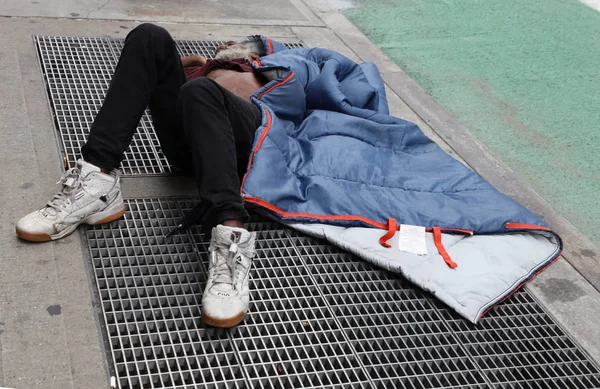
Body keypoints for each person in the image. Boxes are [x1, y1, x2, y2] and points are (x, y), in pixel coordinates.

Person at [15, 23, 267, 328]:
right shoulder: (201, 70)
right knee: (149, 35)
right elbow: (156, 78)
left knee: (202, 90)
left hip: (250, 142)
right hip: (192, 136)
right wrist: (191, 64)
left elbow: (325, 92)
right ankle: (98, 179)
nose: (227, 44)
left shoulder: (274, 68)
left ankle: (232, 239)